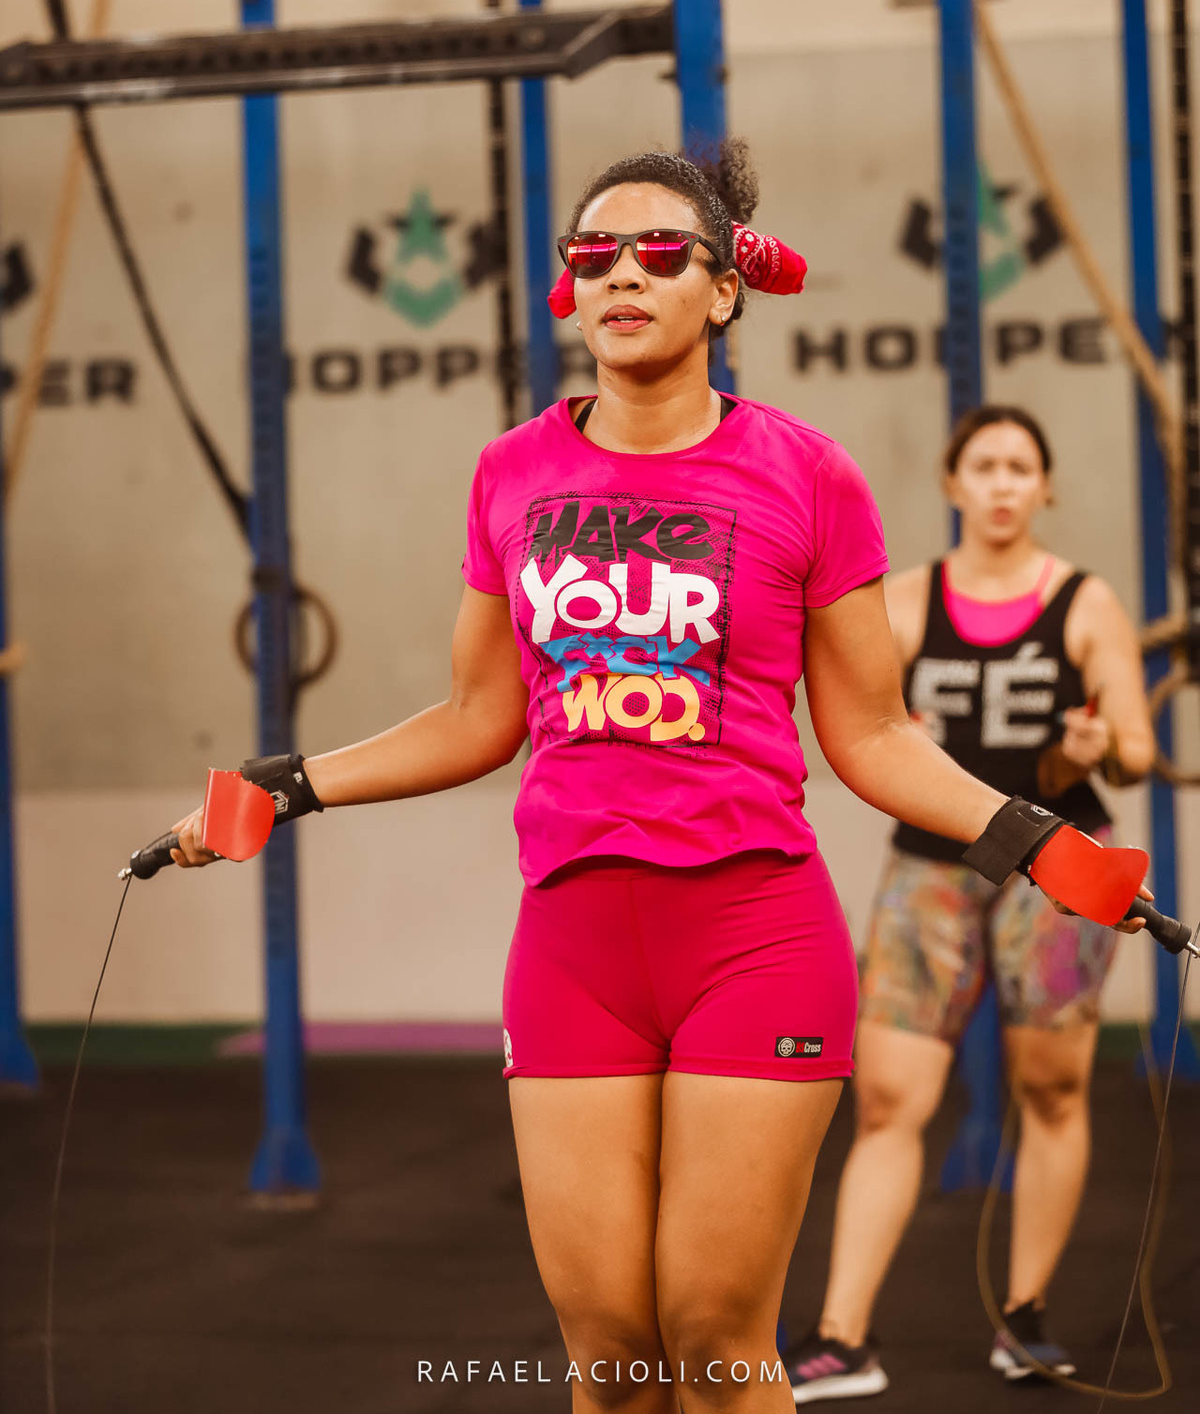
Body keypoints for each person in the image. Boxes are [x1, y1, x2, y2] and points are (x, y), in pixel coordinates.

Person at [169, 149, 1146, 1414]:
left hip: (755, 935)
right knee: (615, 1353)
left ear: (725, 288)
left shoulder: (810, 474)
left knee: (714, 1340)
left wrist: (1039, 838)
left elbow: (873, 735)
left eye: (661, 253)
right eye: (595, 255)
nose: (623, 273)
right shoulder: (510, 472)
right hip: (573, 944)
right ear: (571, 289)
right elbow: (478, 718)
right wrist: (284, 786)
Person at [784, 405, 1155, 1403]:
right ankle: (841, 1338)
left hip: (1059, 868)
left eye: (1019, 467)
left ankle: (1024, 1320)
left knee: (1054, 1090)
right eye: (982, 466)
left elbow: (1135, 748)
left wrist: (1099, 749)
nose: (1000, 484)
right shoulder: (906, 602)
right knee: (889, 1100)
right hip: (933, 869)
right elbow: (853, 725)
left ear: (1044, 487)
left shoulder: (1084, 603)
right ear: (953, 484)